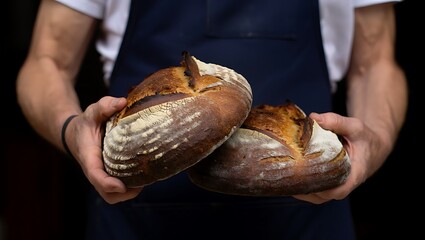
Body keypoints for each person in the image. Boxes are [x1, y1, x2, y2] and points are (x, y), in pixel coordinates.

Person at [16, 0, 408, 239]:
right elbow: (46, 61)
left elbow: (375, 65)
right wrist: (71, 130)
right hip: (137, 215)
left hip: (307, 212)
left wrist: (375, 142)